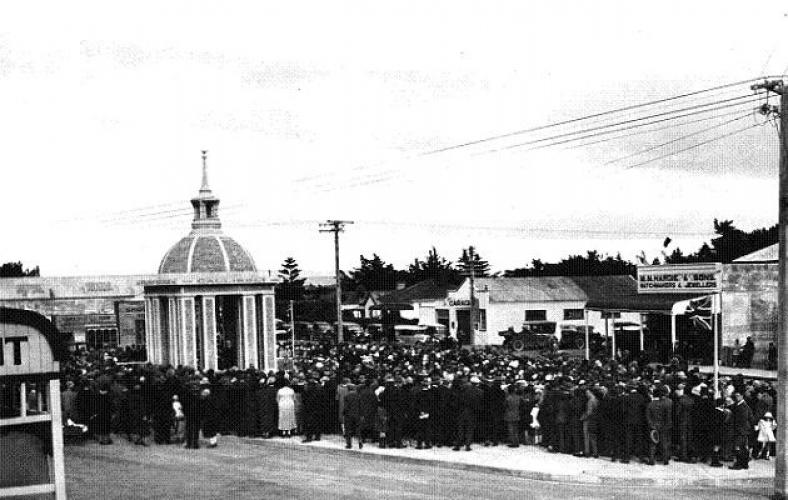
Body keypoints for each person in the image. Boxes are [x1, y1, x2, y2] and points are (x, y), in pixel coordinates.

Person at [646, 386, 673, 465]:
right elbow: (668, 416)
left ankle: (651, 459)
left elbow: (648, 416)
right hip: (664, 426)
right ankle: (665, 459)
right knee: (664, 443)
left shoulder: (651, 404)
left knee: (653, 443)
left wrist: (651, 425)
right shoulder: (667, 403)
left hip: (654, 426)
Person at [730, 391, 754, 470]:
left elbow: (743, 419)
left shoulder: (743, 406)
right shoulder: (740, 405)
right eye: (736, 395)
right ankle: (744, 464)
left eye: (738, 395)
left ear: (742, 396)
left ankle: (739, 464)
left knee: (738, 447)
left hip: (740, 430)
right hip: (743, 430)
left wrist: (738, 428)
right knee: (743, 447)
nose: (737, 397)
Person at [580, 387, 599, 458]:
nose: (586, 394)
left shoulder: (590, 401)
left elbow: (589, 412)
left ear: (591, 392)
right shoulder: (596, 400)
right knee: (593, 437)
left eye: (587, 393)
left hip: (588, 420)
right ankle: (595, 452)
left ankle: (587, 452)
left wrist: (582, 418)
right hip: (594, 420)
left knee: (587, 436)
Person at [343, 384, 362, 449]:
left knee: (348, 430)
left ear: (348, 389)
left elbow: (346, 407)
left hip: (349, 415)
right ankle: (360, 440)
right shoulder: (358, 396)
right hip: (357, 414)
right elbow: (360, 406)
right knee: (357, 429)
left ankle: (349, 444)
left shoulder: (346, 396)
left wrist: (344, 413)